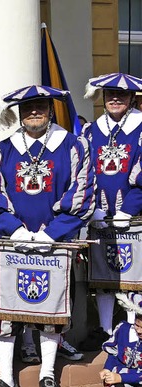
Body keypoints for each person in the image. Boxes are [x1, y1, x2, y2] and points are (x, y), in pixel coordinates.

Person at [0, 85, 95, 387]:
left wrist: (52, 233)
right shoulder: (2, 150)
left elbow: (83, 194)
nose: (34, 113)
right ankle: (5, 379)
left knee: (51, 312)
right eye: (28, 107)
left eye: (40, 107)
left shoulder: (73, 146)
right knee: (4, 313)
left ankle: (47, 374)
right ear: (19, 112)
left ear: (50, 109)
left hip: (54, 247)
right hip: (11, 246)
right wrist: (13, 229)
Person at [80, 73, 142, 351]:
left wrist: (129, 209)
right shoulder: (89, 131)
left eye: (121, 95)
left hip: (135, 218)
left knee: (133, 277)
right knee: (103, 275)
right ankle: (105, 330)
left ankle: (132, 331)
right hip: (99, 215)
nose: (115, 99)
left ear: (131, 99)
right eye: (110, 95)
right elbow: (81, 173)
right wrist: (91, 208)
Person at [99, 292, 142, 387]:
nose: (138, 330)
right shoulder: (123, 329)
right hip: (126, 372)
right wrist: (107, 368)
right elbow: (114, 352)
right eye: (137, 325)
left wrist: (120, 377)